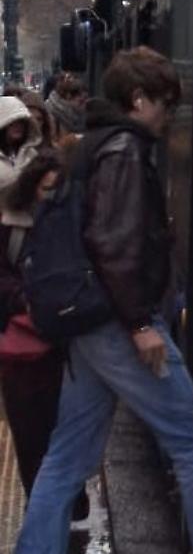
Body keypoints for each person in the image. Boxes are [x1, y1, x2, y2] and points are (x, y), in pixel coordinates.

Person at [1, 47, 193, 554]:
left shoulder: (90, 144)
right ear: (139, 100)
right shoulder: (124, 150)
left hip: (86, 321)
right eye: (165, 103)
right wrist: (142, 323)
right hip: (116, 321)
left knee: (68, 454)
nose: (169, 115)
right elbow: (115, 245)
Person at [0, 152, 89, 521]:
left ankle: (67, 503)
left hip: (64, 348)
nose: (51, 197)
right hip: (23, 350)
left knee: (65, 431)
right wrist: (27, 301)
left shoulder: (73, 222)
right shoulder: (11, 226)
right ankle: (43, 509)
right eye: (46, 189)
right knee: (31, 434)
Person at [0, 96, 39, 208]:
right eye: (12, 122)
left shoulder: (32, 155)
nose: (18, 126)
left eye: (21, 122)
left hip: (29, 220)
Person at [44, 73, 87, 147]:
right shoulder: (51, 112)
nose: (85, 105)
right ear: (68, 97)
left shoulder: (84, 116)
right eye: (81, 101)